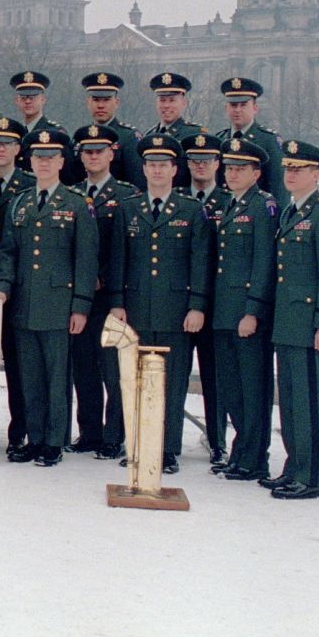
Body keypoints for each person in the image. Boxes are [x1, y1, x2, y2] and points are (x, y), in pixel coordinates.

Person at [0, 128, 97, 468]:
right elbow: (9, 253)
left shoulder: (77, 204)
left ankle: (53, 440)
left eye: (50, 158)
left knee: (56, 376)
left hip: (58, 305)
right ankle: (33, 438)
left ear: (62, 161)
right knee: (29, 375)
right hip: (24, 303)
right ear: (29, 161)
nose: (44, 163)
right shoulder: (20, 202)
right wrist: (3, 289)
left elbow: (85, 260)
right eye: (38, 158)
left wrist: (81, 305)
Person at [105, 133, 212, 474]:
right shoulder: (128, 208)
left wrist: (197, 306)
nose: (156, 171)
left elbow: (200, 262)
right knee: (134, 381)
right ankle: (136, 443)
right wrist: (117, 302)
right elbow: (117, 260)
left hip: (175, 312)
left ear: (174, 169)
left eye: (163, 165)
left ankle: (167, 450)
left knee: (172, 383)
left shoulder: (191, 210)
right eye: (151, 165)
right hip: (135, 309)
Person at [260, 140, 319, 500]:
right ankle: (294, 467)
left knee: (310, 402)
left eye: (298, 169)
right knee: (293, 402)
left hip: (311, 324)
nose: (290, 175)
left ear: (315, 174)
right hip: (289, 323)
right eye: (287, 169)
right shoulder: (292, 212)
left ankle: (310, 476)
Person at [209, 137, 279, 482]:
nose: (232, 174)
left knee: (253, 389)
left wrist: (254, 310)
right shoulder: (228, 204)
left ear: (256, 173)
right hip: (224, 311)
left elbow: (264, 262)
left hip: (246, 314)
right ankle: (240, 452)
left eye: (240, 169)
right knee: (231, 389)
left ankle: (255, 457)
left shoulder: (262, 207)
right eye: (229, 168)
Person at [69, 123, 140, 458]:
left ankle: (114, 435)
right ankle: (89, 433)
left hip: (113, 297)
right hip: (79, 296)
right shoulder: (71, 193)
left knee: (114, 369)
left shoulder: (127, 195)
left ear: (112, 154)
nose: (93, 156)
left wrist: (105, 281)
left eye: (99, 150)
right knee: (83, 368)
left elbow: (125, 249)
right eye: (87, 151)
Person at [0, 117, 35, 451]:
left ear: (18, 149)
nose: (1, 149)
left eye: (8, 143)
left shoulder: (30, 184)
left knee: (18, 364)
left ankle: (20, 431)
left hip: (17, 286)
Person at [179, 132, 232, 468]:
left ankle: (217, 441)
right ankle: (165, 438)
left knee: (215, 379)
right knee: (173, 375)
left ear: (217, 164)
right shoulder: (177, 198)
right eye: (194, 159)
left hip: (216, 306)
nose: (200, 164)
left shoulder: (230, 202)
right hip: (178, 303)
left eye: (207, 159)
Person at [214, 76, 287, 209]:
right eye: (233, 105)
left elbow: (279, 187)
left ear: (255, 108)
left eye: (243, 105)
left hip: (258, 215)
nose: (237, 110)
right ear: (226, 107)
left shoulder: (268, 140)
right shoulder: (219, 140)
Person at [80, 71, 145, 190]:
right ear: (88, 102)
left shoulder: (129, 137)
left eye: (106, 100)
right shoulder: (81, 138)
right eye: (96, 100)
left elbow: (138, 182)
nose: (100, 105)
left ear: (116, 102)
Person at [144, 71, 207, 190]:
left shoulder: (195, 135)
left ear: (184, 103)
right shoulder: (149, 136)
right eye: (162, 100)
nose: (166, 105)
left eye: (172, 100)